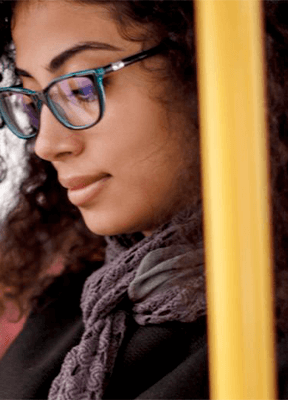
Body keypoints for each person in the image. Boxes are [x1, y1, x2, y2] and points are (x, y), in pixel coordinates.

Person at [0, 0, 287, 399]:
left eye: (80, 87)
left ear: (203, 69)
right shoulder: (68, 303)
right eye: (33, 100)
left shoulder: (259, 349)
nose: (47, 144)